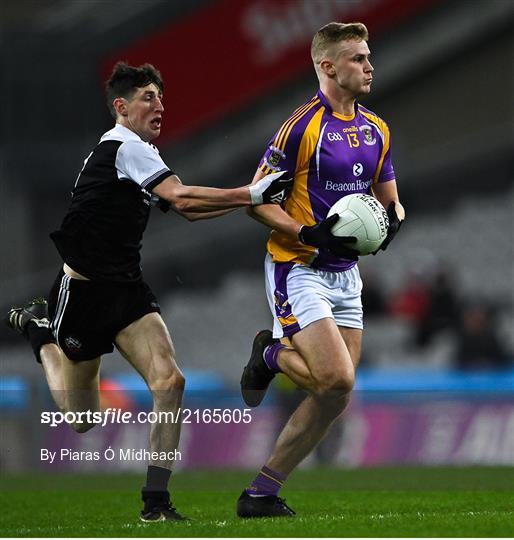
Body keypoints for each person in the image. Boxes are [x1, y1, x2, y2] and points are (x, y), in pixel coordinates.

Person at [5, 62, 292, 523]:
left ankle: (155, 505)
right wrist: (252, 195)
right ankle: (41, 335)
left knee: (170, 382)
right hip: (83, 295)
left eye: (160, 96)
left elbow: (189, 211)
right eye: (147, 97)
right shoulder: (125, 146)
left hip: (126, 289)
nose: (159, 105)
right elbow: (181, 198)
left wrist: (248, 202)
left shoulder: (139, 153)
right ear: (121, 107)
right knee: (81, 419)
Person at [237, 22, 405, 518]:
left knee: (335, 393)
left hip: (347, 275)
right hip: (299, 266)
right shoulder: (301, 128)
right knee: (336, 381)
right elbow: (255, 201)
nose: (369, 65)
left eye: (368, 56)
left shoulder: (377, 128)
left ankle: (261, 494)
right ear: (328, 67)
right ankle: (269, 354)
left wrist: (391, 226)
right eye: (357, 58)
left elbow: (391, 202)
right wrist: (307, 233)